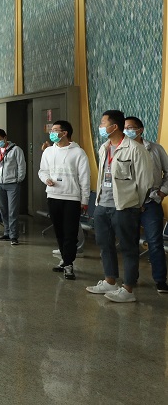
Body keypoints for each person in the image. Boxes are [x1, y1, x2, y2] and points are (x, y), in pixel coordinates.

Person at [84, 110, 156, 302]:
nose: (100, 126)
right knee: (104, 244)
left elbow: (145, 181)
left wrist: (136, 202)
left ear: (114, 126)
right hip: (102, 204)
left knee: (128, 247)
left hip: (124, 206)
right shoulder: (104, 147)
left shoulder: (135, 149)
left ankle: (128, 289)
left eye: (103, 123)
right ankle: (110, 281)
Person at [39, 120, 90, 280]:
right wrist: (46, 179)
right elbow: (42, 171)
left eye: (55, 130)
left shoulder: (78, 152)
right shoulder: (48, 151)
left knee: (70, 232)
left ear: (65, 133)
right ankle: (64, 259)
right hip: (53, 196)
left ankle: (69, 264)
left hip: (71, 198)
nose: (52, 133)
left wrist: (85, 199)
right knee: (59, 231)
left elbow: (84, 178)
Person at [123, 116, 168, 293]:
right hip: (129, 203)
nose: (127, 131)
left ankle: (160, 280)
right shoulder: (122, 149)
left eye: (130, 128)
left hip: (151, 203)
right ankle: (131, 278)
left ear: (140, 130)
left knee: (155, 242)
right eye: (125, 128)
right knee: (130, 242)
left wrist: (162, 192)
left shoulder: (155, 149)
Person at [0, 128, 27, 245]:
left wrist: (18, 179)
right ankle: (6, 232)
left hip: (12, 183)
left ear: (5, 138)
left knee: (13, 210)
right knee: (3, 209)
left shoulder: (16, 150)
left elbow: (21, 165)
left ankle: (14, 236)